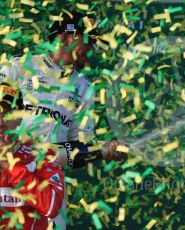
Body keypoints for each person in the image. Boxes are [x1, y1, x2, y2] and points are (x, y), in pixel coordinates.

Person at [0, 10, 126, 228]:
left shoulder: (85, 87)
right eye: (87, 40)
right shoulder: (17, 67)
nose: (92, 47)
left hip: (47, 189)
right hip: (8, 178)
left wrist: (102, 150)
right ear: (67, 37)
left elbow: (80, 146)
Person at [0, 83, 64, 229]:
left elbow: (52, 206)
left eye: (8, 114)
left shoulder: (41, 153)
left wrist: (10, 165)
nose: (0, 122)